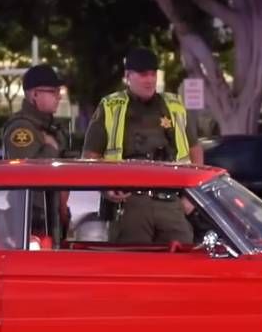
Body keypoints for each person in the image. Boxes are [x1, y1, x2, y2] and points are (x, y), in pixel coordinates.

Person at [82, 48, 204, 244]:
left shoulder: (174, 106)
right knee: (132, 265)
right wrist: (105, 188)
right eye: (143, 74)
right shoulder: (111, 106)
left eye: (153, 74)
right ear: (128, 76)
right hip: (129, 204)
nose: (150, 80)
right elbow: (90, 155)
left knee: (181, 262)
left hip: (171, 202)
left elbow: (195, 149)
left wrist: (192, 196)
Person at [3, 65, 70, 233]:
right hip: (32, 220)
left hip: (53, 214)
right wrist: (50, 148)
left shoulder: (52, 126)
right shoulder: (21, 129)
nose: (59, 96)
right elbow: (26, 174)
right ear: (35, 94)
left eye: (59, 91)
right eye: (53, 92)